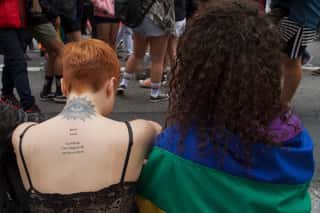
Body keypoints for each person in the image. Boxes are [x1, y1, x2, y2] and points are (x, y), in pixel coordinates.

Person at [136, 1, 314, 212]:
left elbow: (152, 200)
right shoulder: (295, 142)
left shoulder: (174, 152)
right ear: (268, 68)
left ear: (196, 72)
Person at [12, 39, 161, 212]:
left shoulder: (23, 136)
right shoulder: (137, 134)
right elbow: (160, 133)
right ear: (111, 85)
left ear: (63, 87)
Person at [117, 0, 175, 102]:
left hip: (140, 18)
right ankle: (155, 93)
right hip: (158, 19)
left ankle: (123, 84)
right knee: (157, 60)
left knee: (137, 54)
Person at [268, 0, 320, 107]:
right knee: (278, 58)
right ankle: (274, 100)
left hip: (301, 17)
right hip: (288, 12)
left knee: (291, 61)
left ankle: (283, 107)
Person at [0, 0, 42, 116]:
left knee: (12, 61)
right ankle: (28, 104)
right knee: (18, 62)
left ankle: (7, 95)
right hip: (5, 23)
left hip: (20, 22)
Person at [139, 0, 187, 88]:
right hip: (177, 15)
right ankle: (170, 78)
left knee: (170, 52)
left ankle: (177, 79)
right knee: (166, 52)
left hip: (172, 17)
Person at [26, 0, 66, 103]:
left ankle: (47, 90)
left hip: (34, 15)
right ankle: (60, 91)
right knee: (61, 51)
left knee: (53, 53)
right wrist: (54, 14)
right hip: (38, 16)